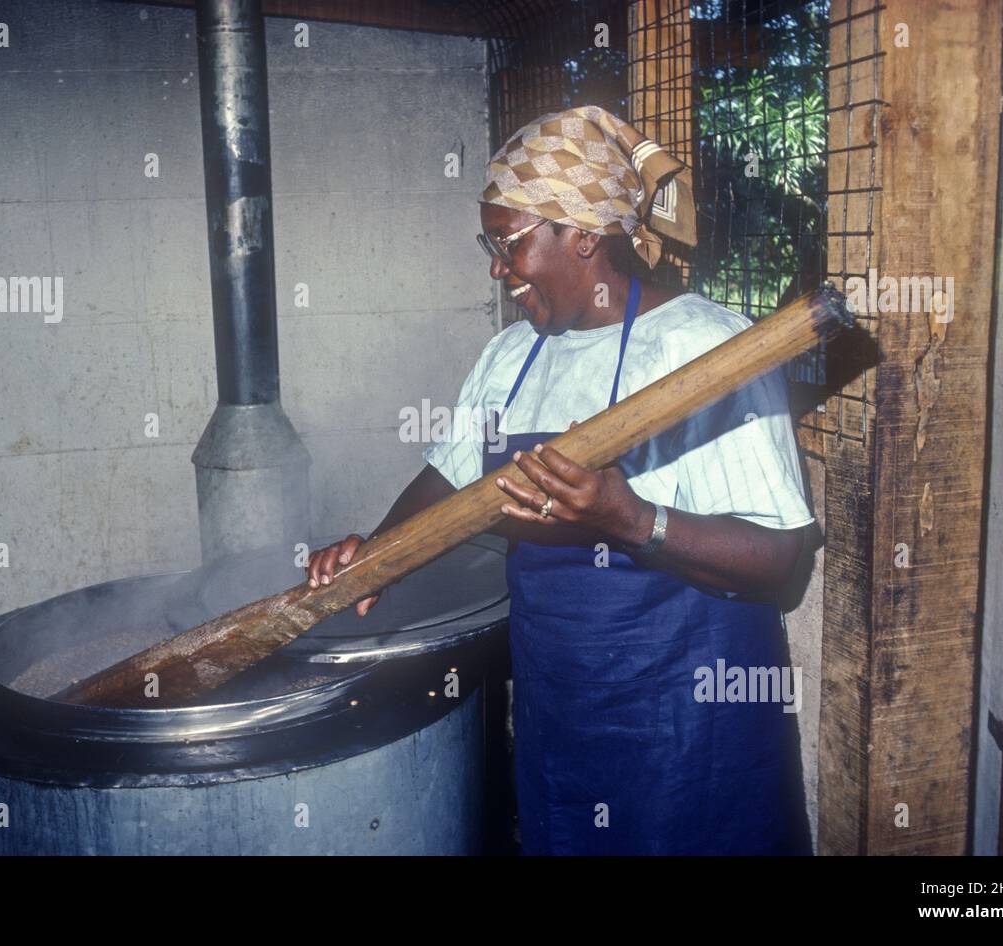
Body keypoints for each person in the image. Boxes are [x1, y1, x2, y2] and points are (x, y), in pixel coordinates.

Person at [305, 105, 813, 855]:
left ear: (582, 235)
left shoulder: (707, 351)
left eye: (507, 243)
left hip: (689, 723)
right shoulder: (512, 356)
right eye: (490, 243)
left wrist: (630, 520)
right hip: (561, 713)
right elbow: (448, 478)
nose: (495, 268)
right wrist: (375, 556)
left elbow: (783, 561)